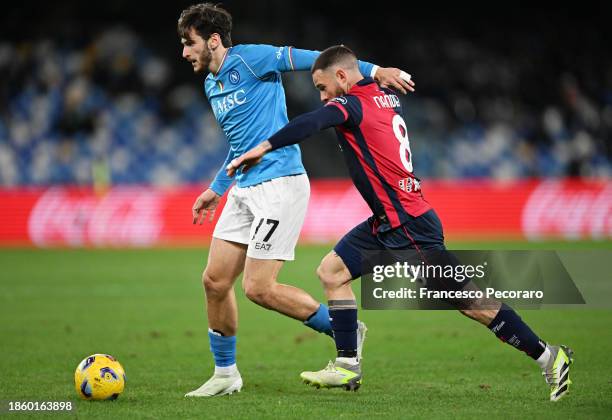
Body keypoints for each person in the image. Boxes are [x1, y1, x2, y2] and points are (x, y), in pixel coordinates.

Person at [227, 45, 574, 401]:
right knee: (332, 272)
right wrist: (377, 72)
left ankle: (549, 355)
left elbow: (311, 123)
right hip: (387, 221)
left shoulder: (350, 105)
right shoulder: (383, 96)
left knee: (469, 301)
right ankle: (348, 364)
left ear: (342, 77)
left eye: (322, 86)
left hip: (409, 225)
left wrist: (264, 146)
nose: (322, 95)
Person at [178, 3, 415, 397]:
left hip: (280, 183)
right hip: (244, 189)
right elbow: (240, 146)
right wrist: (215, 189)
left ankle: (345, 329)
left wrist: (374, 71)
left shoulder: (252, 59)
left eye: (190, 43)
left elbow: (317, 60)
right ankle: (225, 375)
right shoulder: (211, 85)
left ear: (213, 40)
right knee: (215, 281)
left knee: (258, 288)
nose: (185, 52)